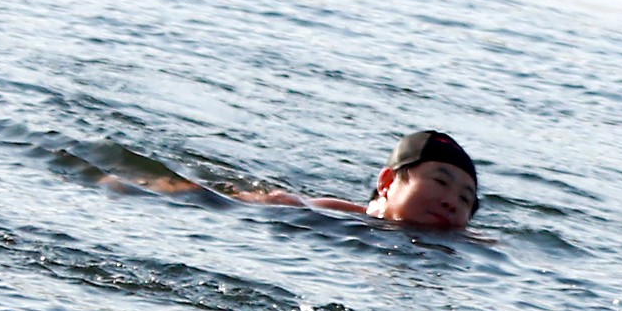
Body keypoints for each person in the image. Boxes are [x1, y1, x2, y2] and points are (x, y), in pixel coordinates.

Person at [105, 130, 480, 231]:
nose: (451, 201)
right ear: (387, 183)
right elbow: (269, 203)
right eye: (440, 182)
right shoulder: (340, 215)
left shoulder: (460, 243)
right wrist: (150, 187)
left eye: (466, 200)